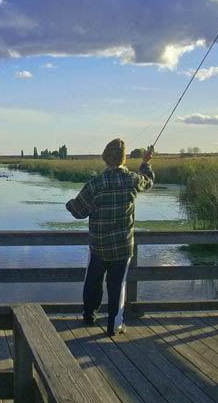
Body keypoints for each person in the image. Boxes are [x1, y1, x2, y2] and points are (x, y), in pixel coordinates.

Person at [66, 138, 154, 336]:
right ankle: (114, 326)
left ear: (105, 158)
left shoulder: (95, 184)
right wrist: (146, 162)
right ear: (123, 159)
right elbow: (147, 180)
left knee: (93, 281)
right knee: (117, 285)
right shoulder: (132, 180)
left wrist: (69, 204)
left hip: (98, 245)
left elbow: (78, 211)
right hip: (123, 246)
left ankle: (89, 316)